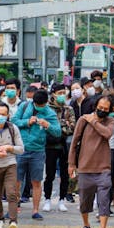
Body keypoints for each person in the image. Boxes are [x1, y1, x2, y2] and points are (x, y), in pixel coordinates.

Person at [68, 95, 114, 228]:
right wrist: (71, 164)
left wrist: (93, 120)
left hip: (103, 168)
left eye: (105, 109)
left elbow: (107, 134)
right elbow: (74, 142)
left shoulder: (110, 121)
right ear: (95, 106)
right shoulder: (83, 120)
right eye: (100, 108)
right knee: (84, 201)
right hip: (85, 167)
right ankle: (86, 225)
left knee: (104, 200)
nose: (102, 110)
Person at [12, 89, 61, 220]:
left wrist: (48, 125)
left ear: (46, 102)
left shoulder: (50, 113)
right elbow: (13, 121)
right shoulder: (24, 106)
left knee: (36, 181)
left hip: (38, 151)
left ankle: (35, 210)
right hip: (21, 149)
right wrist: (27, 121)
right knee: (16, 181)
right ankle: (13, 209)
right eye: (37, 105)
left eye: (42, 105)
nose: (39, 107)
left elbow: (58, 132)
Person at [43, 84, 76, 212]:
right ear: (53, 94)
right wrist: (63, 124)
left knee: (64, 174)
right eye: (59, 92)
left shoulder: (69, 109)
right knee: (49, 174)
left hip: (64, 146)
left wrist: (56, 127)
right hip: (50, 146)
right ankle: (47, 199)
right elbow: (45, 127)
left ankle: (62, 200)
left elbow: (72, 127)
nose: (62, 95)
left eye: (64, 92)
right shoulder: (47, 109)